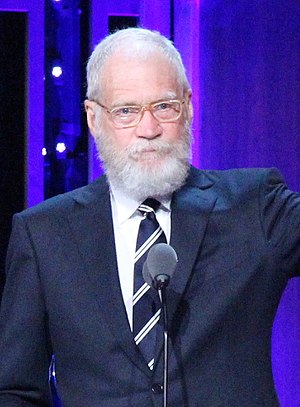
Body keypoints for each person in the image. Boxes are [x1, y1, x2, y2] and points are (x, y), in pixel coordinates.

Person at [0, 27, 299, 407]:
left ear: (188, 106)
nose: (149, 129)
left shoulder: (254, 206)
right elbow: (15, 390)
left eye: (164, 106)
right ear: (93, 118)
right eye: (127, 111)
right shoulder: (43, 234)